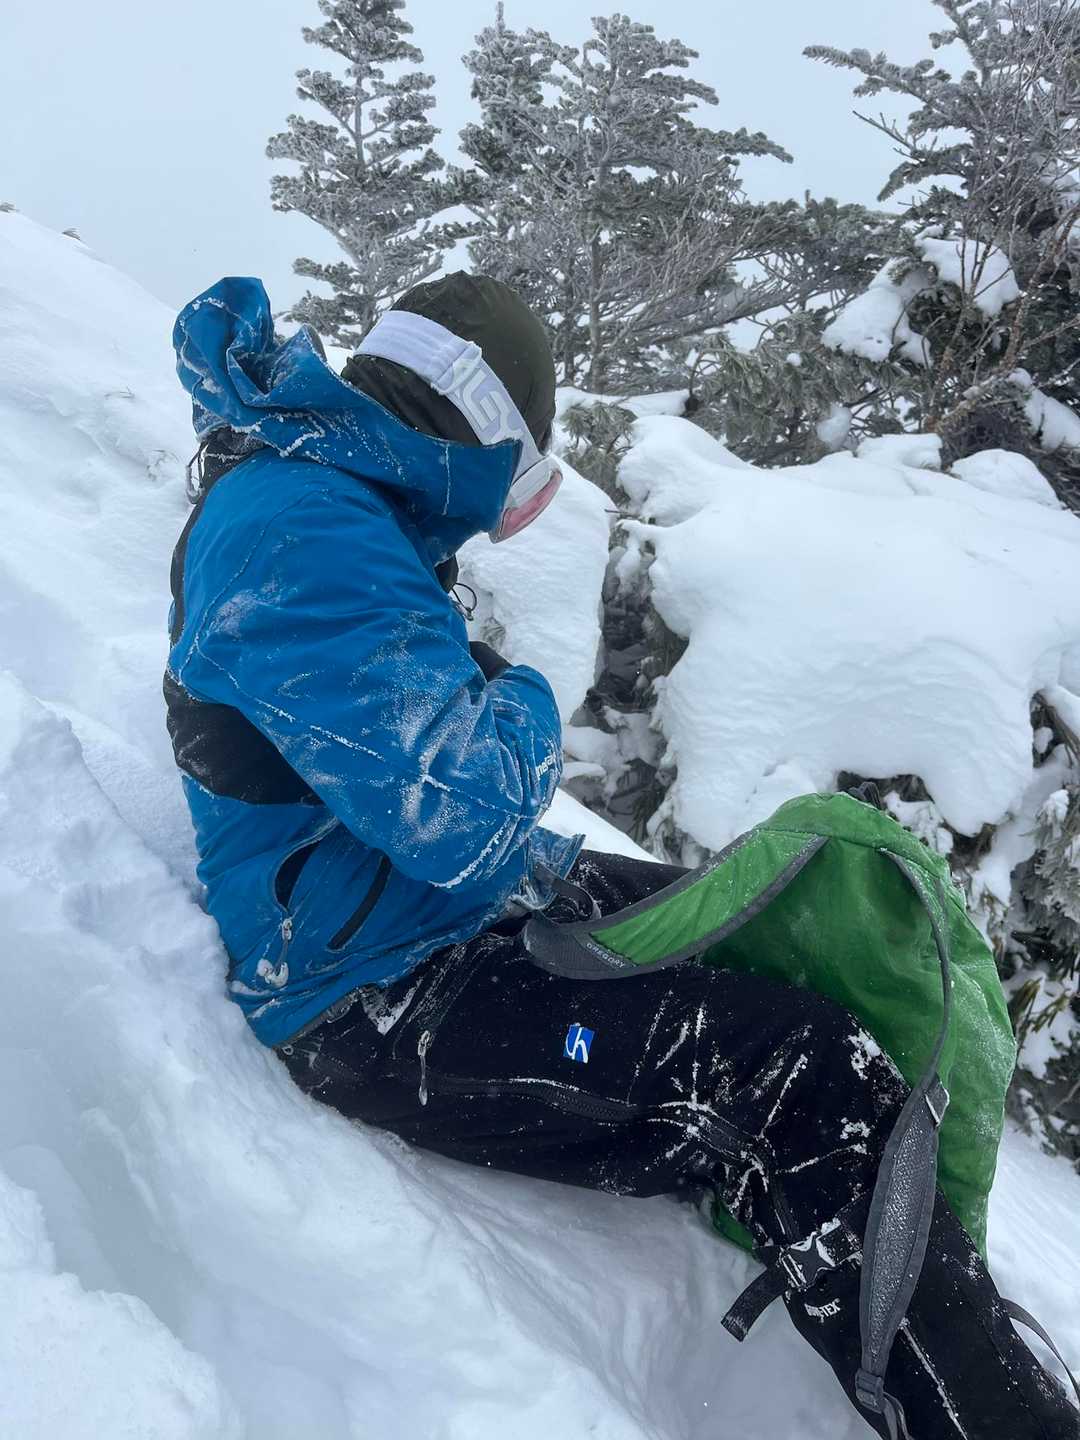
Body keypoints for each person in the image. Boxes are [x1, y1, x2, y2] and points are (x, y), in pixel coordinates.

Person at [167, 271, 1078, 1439]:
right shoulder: (310, 533)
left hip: (414, 906)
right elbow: (463, 817)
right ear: (482, 438)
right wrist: (520, 690)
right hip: (371, 993)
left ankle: (922, 1278)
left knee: (757, 923)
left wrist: (471, 693)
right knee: (800, 1073)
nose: (502, 513)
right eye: (519, 474)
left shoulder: (336, 501)